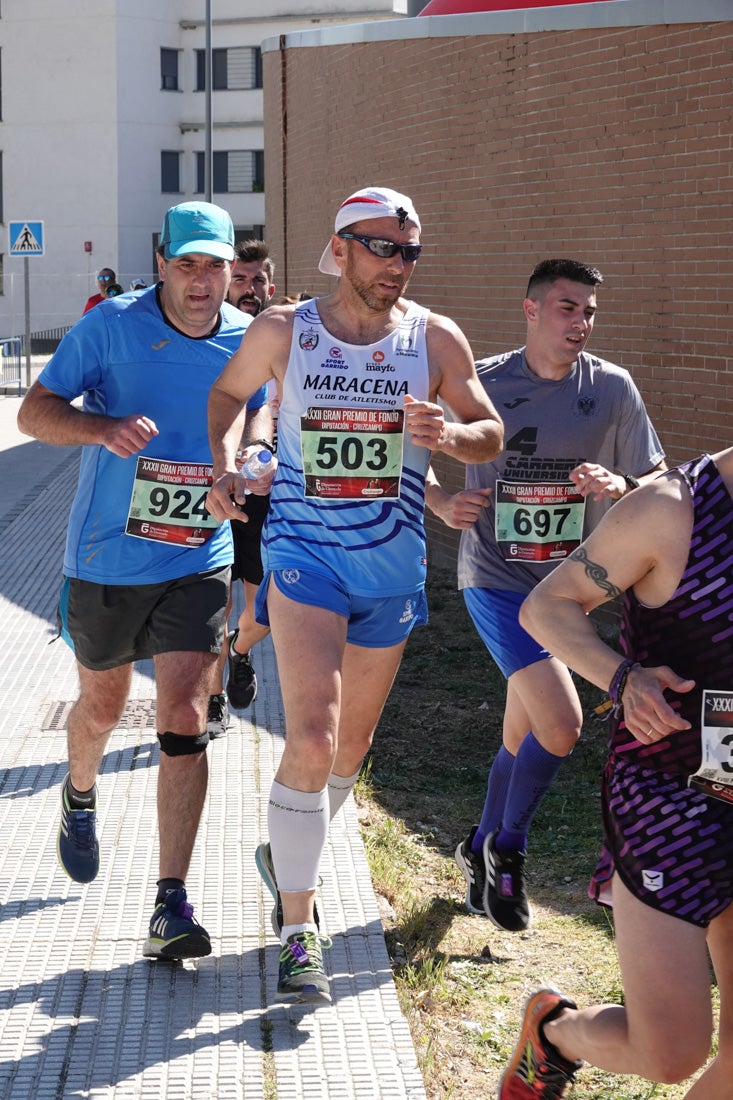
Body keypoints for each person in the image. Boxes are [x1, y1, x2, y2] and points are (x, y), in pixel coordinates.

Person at [206, 186, 504, 1004]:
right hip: (305, 557)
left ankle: (286, 851)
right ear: (339, 249)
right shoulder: (284, 330)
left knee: (346, 752)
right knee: (310, 733)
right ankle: (298, 931)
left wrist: (450, 435)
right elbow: (230, 397)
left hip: (393, 568)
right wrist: (228, 463)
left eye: (409, 252)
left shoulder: (432, 337)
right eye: (382, 248)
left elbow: (489, 428)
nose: (397, 267)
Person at [17, 201, 269, 961]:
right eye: (187, 264)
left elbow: (260, 411)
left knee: (187, 713)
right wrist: (102, 430)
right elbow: (33, 411)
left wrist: (251, 460)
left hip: (198, 553)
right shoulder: (110, 328)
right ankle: (80, 790)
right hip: (104, 561)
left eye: (215, 266)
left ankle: (169, 902)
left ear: (232, 268)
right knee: (101, 705)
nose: (201, 281)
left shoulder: (246, 337)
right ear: (161, 261)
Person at [425, 258, 666, 932]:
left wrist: (616, 487)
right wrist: (443, 501)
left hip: (569, 590)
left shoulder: (611, 389)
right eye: (566, 308)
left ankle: (476, 846)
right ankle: (507, 850)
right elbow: (394, 448)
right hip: (495, 580)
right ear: (529, 310)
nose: (580, 322)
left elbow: (657, 480)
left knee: (524, 726)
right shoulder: (486, 382)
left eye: (589, 310)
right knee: (560, 723)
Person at [496, 447, 733, 1099]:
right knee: (670, 1052)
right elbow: (547, 607)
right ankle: (553, 1033)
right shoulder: (669, 510)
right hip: (669, 799)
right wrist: (621, 678)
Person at [206, 240, 277, 740]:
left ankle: (241, 651)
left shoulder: (291, 335)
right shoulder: (212, 337)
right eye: (242, 280)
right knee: (212, 605)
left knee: (263, 610)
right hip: (211, 485)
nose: (249, 290)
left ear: (269, 286)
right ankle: (211, 700)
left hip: (268, 495)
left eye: (258, 282)